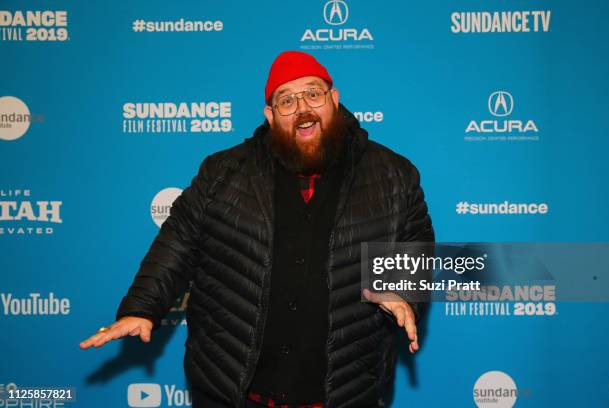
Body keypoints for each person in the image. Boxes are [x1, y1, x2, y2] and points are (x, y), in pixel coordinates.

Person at [80, 50, 434, 408]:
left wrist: (401, 291)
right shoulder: (222, 172)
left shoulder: (393, 175)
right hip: (234, 390)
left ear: (334, 99)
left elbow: (416, 248)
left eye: (313, 93)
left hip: (344, 391)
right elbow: (177, 243)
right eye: (286, 100)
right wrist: (140, 308)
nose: (303, 109)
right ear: (269, 116)